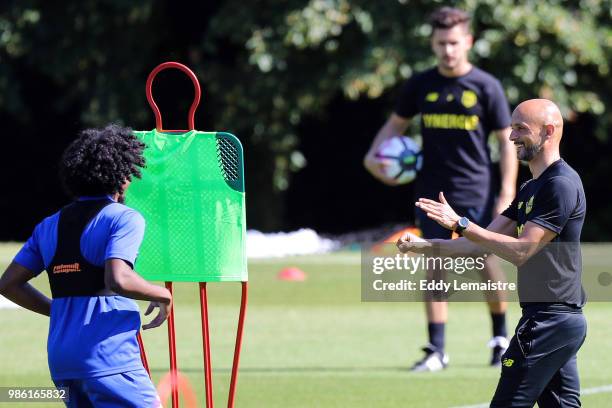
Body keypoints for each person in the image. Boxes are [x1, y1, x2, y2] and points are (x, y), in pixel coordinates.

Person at [398, 99, 587, 407]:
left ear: (548, 132)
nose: (511, 137)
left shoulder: (561, 185)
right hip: (553, 322)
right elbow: (477, 244)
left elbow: (523, 250)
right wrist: (422, 245)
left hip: (549, 322)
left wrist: (461, 223)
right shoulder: (531, 188)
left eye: (520, 129)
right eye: (511, 128)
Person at [363, 6, 518, 370]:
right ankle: (437, 350)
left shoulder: (485, 86)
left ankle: (500, 340)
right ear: (432, 45)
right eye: (440, 43)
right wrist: (374, 156)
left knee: (484, 260)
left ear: (468, 42)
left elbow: (506, 141)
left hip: (475, 189)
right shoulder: (420, 84)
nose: (447, 50)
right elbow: (394, 127)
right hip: (431, 190)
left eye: (453, 42)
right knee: (433, 260)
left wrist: (507, 192)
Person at [0, 124, 171, 407]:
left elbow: (8, 284)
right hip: (108, 357)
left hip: (62, 362)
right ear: (124, 176)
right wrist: (162, 294)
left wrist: (59, 311)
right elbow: (119, 278)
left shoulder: (49, 225)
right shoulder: (122, 217)